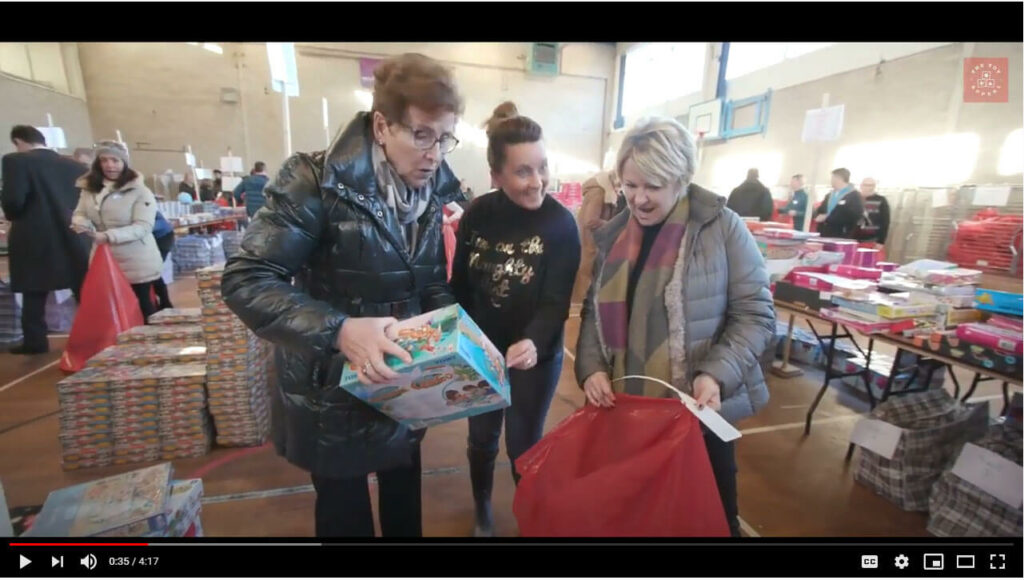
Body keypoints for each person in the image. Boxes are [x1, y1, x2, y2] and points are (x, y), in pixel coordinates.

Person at [220, 53, 465, 538]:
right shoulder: (314, 181)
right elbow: (247, 279)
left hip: (403, 381)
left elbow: (428, 281)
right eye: (420, 135)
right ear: (380, 125)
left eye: (445, 137)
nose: (435, 153)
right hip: (330, 389)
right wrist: (340, 330)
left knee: (403, 497)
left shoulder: (432, 189)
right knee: (344, 511)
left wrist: (456, 348)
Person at [574, 117, 774, 538]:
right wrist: (592, 367)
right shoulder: (614, 236)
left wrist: (715, 374)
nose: (639, 199)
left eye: (653, 186)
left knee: (712, 518)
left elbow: (755, 314)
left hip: (698, 414)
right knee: (638, 513)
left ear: (682, 178)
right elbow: (594, 312)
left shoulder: (721, 228)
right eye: (630, 185)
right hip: (628, 412)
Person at [450, 102, 581, 537]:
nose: (537, 181)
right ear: (496, 176)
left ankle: (531, 517)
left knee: (523, 444)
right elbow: (461, 286)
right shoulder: (478, 215)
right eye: (523, 171)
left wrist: (533, 340)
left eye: (542, 167)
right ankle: (482, 508)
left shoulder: (561, 224)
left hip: (534, 355)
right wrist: (451, 338)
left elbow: (556, 299)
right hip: (482, 352)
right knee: (481, 440)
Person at [1, 125, 90, 354]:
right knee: (82, 288)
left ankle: (35, 341)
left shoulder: (15, 161)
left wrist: (11, 214)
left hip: (34, 235)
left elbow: (13, 201)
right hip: (73, 232)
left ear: (19, 141)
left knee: (33, 290)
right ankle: (97, 333)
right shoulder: (74, 166)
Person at [71, 140, 164, 322]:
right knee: (111, 309)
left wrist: (107, 236)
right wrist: (81, 223)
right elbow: (80, 212)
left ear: (124, 163)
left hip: (136, 259)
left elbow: (143, 226)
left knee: (142, 305)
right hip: (103, 258)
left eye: (115, 160)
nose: (110, 165)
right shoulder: (89, 189)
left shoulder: (140, 191)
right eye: (104, 160)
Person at [572, 168, 626, 304]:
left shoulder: (602, 190)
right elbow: (591, 221)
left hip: (590, 242)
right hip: (591, 243)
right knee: (586, 278)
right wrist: (613, 224)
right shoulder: (599, 192)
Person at [813, 168, 864, 239]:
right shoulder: (829, 195)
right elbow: (821, 210)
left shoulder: (854, 195)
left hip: (842, 234)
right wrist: (816, 214)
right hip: (824, 232)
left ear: (839, 178)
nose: (831, 181)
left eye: (832, 178)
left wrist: (828, 218)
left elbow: (855, 215)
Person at [854, 177, 890, 248]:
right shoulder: (854, 199)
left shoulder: (881, 200)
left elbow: (885, 222)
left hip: (871, 240)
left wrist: (881, 241)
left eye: (871, 185)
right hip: (853, 239)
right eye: (866, 185)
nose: (869, 188)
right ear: (861, 186)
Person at [151, 210, 175, 311]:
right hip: (162, 237)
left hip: (162, 238)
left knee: (153, 271)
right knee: (153, 271)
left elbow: (146, 228)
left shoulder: (143, 204)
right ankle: (164, 302)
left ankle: (165, 303)